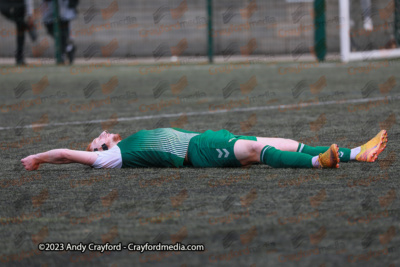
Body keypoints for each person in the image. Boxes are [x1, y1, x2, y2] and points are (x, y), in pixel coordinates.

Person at [21, 128, 388, 171]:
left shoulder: (123, 142)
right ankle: (316, 163)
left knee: (276, 142)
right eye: (96, 142)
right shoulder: (109, 157)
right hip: (198, 152)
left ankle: (357, 152)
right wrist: (38, 157)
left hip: (205, 140)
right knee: (257, 151)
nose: (101, 137)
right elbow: (68, 155)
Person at [0, 0, 37, 65]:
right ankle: (27, 27)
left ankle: (19, 57)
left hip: (20, 4)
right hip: (5, 3)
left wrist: (30, 15)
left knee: (20, 30)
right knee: (5, 10)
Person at [41, 0, 78, 64]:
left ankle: (63, 53)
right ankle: (69, 48)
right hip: (51, 11)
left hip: (64, 10)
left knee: (63, 33)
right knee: (53, 31)